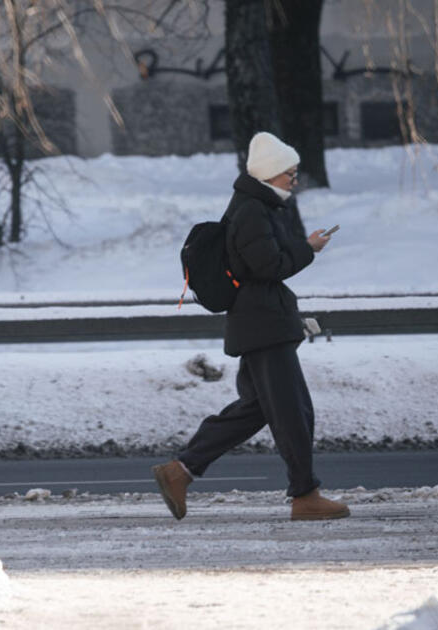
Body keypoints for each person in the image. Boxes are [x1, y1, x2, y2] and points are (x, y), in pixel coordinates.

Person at [152, 131, 349, 521]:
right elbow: (268, 266)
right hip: (264, 328)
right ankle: (305, 495)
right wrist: (307, 248)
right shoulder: (252, 211)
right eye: (289, 172)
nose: (294, 177)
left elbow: (261, 267)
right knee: (293, 411)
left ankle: (180, 471)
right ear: (270, 173)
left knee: (253, 410)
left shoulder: (255, 208)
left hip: (260, 323)